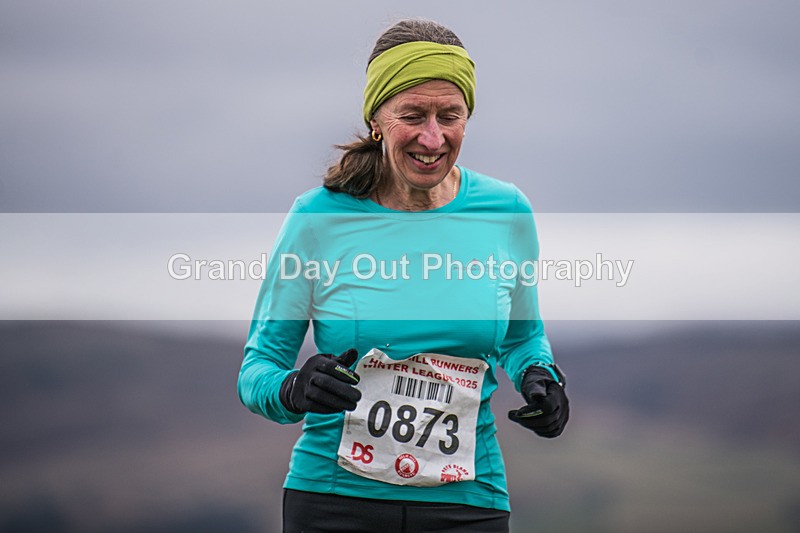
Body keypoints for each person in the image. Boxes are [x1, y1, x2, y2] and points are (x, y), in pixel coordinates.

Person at [238, 18, 569, 533]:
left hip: (469, 502)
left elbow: (523, 335)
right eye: (412, 115)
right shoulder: (319, 218)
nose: (432, 137)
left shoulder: (506, 211)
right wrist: (294, 389)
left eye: (450, 116)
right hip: (334, 502)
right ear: (377, 120)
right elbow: (257, 368)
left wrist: (539, 377)